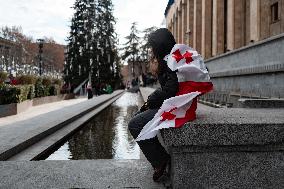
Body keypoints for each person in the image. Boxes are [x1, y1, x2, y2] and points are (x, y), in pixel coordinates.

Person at [128, 28, 178, 182]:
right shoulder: (170, 59)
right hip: (173, 104)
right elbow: (169, 88)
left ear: (160, 46)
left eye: (153, 47)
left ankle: (160, 160)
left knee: (135, 124)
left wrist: (153, 98)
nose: (151, 50)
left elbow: (171, 89)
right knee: (137, 117)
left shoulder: (172, 60)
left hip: (178, 108)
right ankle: (159, 157)